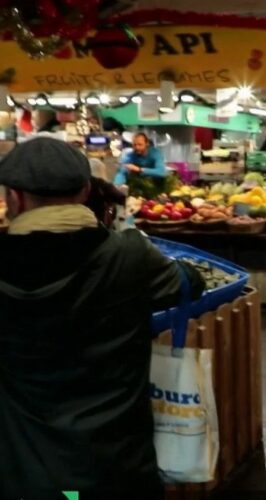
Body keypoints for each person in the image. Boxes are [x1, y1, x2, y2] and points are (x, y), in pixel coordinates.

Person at [0, 138, 205, 499]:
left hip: (26, 473)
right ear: (84, 191)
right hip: (118, 469)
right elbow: (190, 283)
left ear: (14, 198)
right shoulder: (129, 255)